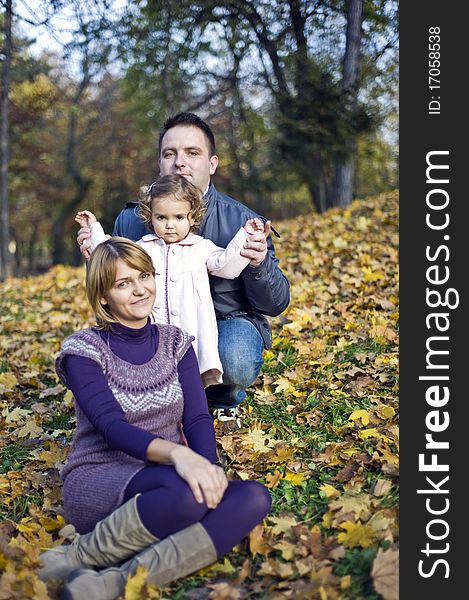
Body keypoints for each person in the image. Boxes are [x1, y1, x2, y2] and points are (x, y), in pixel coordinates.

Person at [38, 238, 271, 600]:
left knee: (254, 498)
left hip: (169, 480)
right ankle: (77, 556)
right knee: (187, 496)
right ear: (103, 297)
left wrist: (207, 469)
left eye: (143, 276)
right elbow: (113, 429)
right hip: (103, 476)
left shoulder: (176, 342)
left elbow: (196, 418)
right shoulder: (83, 351)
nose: (139, 289)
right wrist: (182, 457)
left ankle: (110, 583)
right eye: (122, 283)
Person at [78, 112, 290, 429]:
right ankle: (152, 400)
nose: (180, 162)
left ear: (212, 164)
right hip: (159, 321)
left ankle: (222, 399)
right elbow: (115, 283)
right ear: (161, 163)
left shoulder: (243, 221)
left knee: (235, 356)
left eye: (192, 153)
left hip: (223, 324)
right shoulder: (133, 220)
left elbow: (275, 304)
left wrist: (256, 263)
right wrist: (95, 258)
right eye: (170, 154)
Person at [75, 174, 267, 389]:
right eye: (161, 218)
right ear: (151, 217)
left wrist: (246, 236)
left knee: (190, 380)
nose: (169, 225)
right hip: (155, 334)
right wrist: (94, 230)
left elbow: (227, 265)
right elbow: (114, 257)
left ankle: (199, 411)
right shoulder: (143, 248)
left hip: (191, 330)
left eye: (178, 217)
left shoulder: (201, 248)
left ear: (192, 217)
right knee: (157, 379)